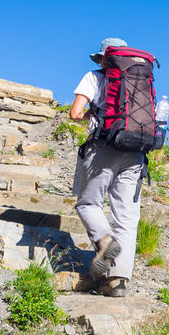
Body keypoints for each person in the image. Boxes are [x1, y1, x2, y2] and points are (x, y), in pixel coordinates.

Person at [69, 37, 146, 297]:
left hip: (103, 147)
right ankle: (117, 281)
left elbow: (75, 113)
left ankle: (104, 240)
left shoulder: (94, 77)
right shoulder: (140, 82)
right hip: (135, 152)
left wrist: (94, 114)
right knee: (126, 218)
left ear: (104, 58)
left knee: (87, 204)